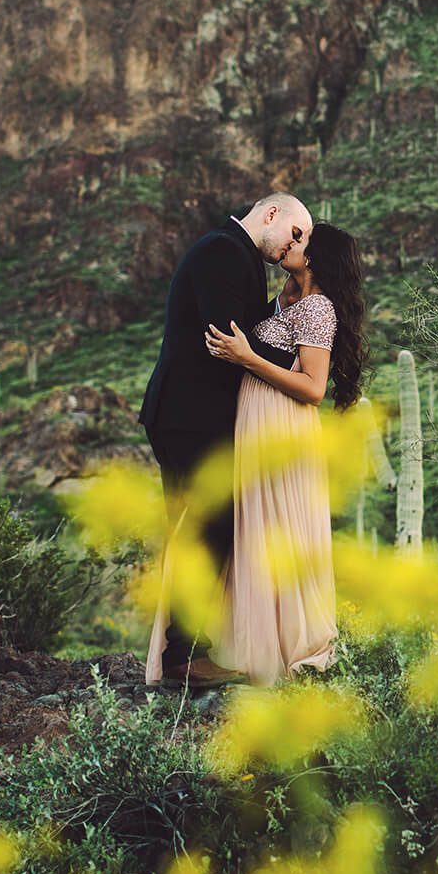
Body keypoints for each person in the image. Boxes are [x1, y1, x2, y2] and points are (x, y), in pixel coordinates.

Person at [137, 192, 311, 688]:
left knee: (202, 525)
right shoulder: (222, 250)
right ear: (272, 214)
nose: (291, 248)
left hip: (189, 412)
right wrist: (296, 369)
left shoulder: (234, 251)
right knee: (207, 525)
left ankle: (182, 652)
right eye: (294, 234)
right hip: (188, 413)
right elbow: (229, 335)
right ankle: (183, 657)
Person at [203, 221, 365, 686]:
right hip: (255, 421)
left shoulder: (317, 308)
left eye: (302, 241)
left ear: (317, 257)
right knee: (256, 530)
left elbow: (314, 389)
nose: (291, 244)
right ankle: (256, 646)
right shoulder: (282, 300)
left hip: (283, 426)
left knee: (281, 530)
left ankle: (294, 649)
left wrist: (246, 358)